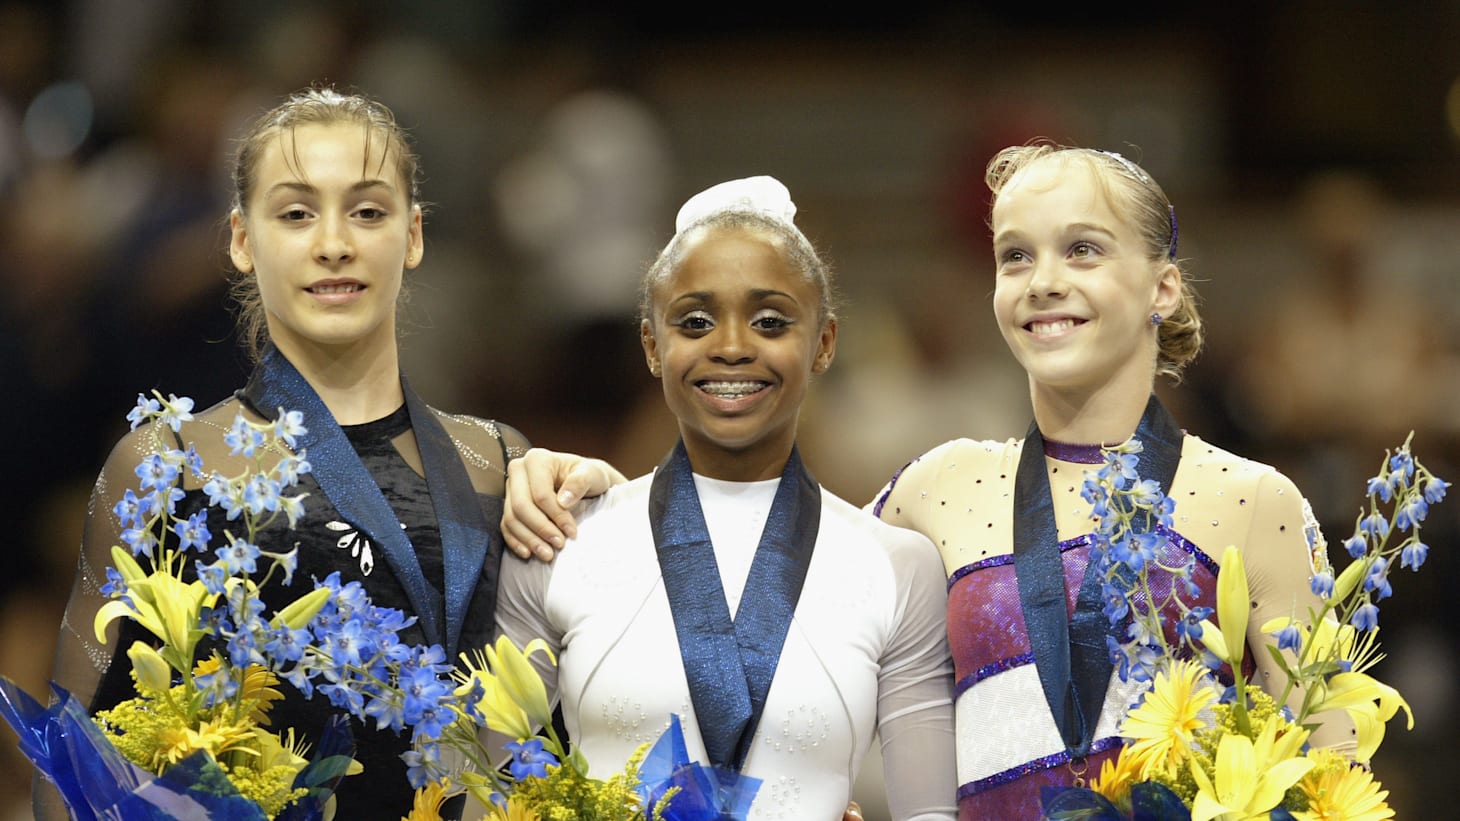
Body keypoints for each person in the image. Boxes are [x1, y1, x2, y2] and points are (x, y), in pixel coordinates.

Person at [500, 146, 1356, 819]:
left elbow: (1333, 780)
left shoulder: (1256, 501)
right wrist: (603, 493)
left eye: (1082, 250)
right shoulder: (942, 488)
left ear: (1163, 285)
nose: (1044, 281)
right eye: (1015, 256)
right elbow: (758, 556)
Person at [43, 87, 531, 820]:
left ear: (413, 235)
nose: (334, 243)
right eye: (297, 213)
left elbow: (540, 737)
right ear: (242, 240)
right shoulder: (166, 465)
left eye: (368, 212)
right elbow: (68, 774)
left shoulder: (496, 461)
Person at [493, 176, 958, 820]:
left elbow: (930, 815)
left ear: (824, 343)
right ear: (652, 346)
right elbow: (481, 788)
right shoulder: (560, 540)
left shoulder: (898, 567)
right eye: (695, 322)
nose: (733, 347)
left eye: (770, 322)